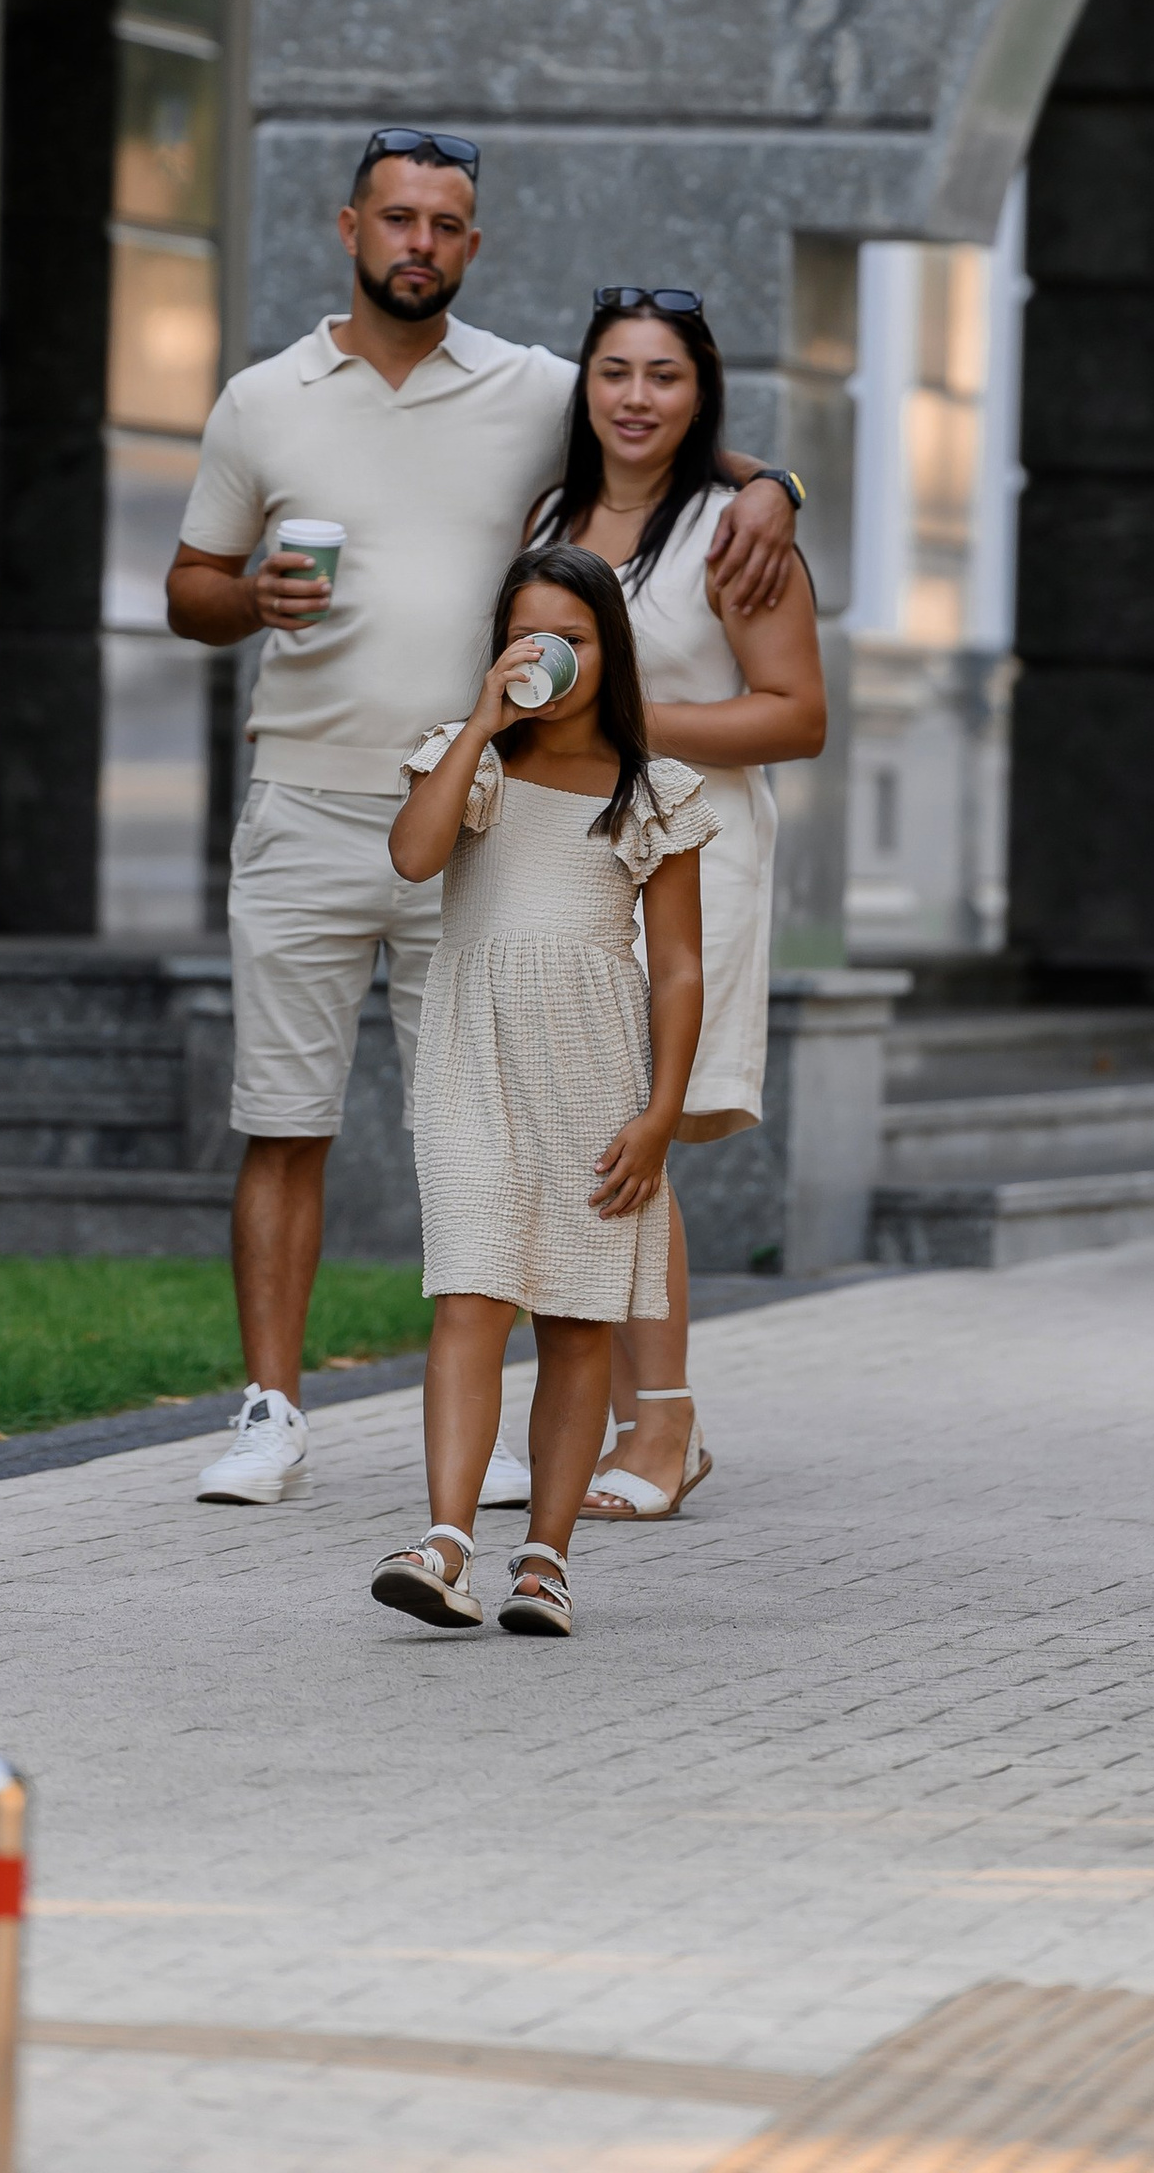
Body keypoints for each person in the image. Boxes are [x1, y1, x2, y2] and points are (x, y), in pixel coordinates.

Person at [165, 129, 806, 1506]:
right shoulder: (263, 398)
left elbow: (676, 428)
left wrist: (777, 485)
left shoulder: (536, 389)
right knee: (285, 1117)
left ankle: (510, 1431)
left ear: (474, 244)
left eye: (447, 225)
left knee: (510, 1122)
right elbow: (187, 588)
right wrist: (249, 601)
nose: (421, 244)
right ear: (349, 228)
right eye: (398, 219)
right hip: (308, 796)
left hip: (491, 825)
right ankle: (270, 1410)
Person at [370, 546, 711, 1635]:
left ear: (610, 650)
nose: (550, 657)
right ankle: (444, 1541)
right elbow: (413, 859)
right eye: (528, 637)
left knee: (572, 1321)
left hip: (594, 1072)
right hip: (474, 1061)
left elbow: (681, 967)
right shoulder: (465, 765)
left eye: (574, 636)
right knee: (468, 1293)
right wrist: (478, 719)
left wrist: (659, 1114)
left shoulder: (649, 790)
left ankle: (545, 1560)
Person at [533, 288, 828, 1520]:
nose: (637, 396)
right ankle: (618, 1421)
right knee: (580, 1135)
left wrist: (625, 727)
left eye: (664, 374)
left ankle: (661, 1428)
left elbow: (796, 715)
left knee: (630, 1137)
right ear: (585, 385)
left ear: (699, 392)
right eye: (615, 371)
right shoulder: (551, 513)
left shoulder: (734, 531)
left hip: (690, 858)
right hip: (559, 860)